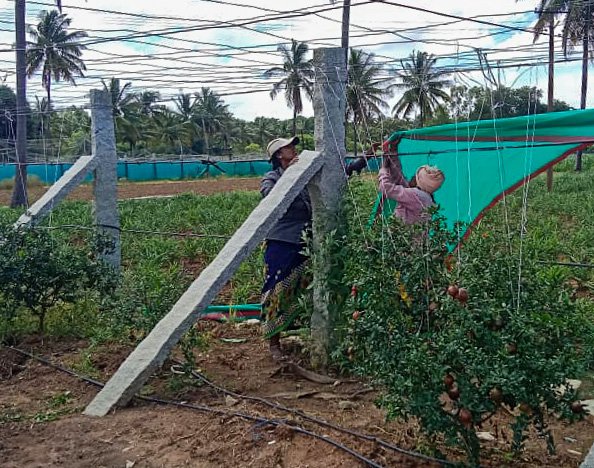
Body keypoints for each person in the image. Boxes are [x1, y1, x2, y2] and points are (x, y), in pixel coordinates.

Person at [260, 136, 311, 360]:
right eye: (288, 147)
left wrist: (365, 157)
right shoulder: (272, 177)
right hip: (282, 242)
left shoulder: (304, 172)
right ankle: (273, 342)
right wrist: (290, 175)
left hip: (305, 241)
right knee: (276, 290)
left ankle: (300, 333)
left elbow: (337, 175)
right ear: (279, 155)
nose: (294, 149)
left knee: (303, 287)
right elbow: (268, 195)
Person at [378, 151, 445, 224]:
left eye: (415, 176)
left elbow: (385, 187)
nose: (412, 177)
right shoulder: (425, 197)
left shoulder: (415, 195)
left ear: (419, 181)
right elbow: (401, 180)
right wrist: (393, 153)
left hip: (406, 234)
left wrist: (383, 169)